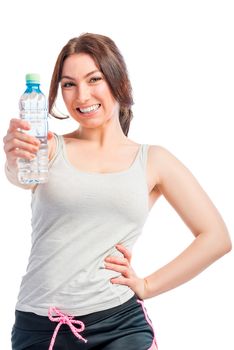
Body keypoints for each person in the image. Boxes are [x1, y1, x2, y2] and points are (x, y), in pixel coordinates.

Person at [3, 33, 232, 350]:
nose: (82, 95)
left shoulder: (153, 160)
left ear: (118, 81)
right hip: (41, 329)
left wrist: (147, 285)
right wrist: (13, 157)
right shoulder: (48, 146)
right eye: (69, 84)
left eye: (93, 79)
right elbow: (20, 176)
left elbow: (216, 238)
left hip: (119, 326)